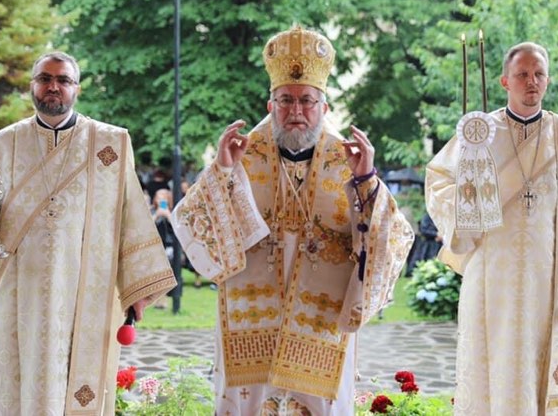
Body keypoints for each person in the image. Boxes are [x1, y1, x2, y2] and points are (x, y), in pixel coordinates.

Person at [171, 26, 414, 415]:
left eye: (306, 100)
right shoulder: (242, 156)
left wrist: (367, 181)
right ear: (271, 105)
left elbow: (391, 237)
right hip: (252, 322)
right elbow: (192, 220)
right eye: (286, 100)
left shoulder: (349, 161)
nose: (296, 111)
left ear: (324, 107)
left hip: (320, 323)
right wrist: (222, 172)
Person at [0, 51, 176, 414]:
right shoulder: (1, 144)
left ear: (76, 89)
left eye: (63, 80)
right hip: (21, 289)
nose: (53, 87)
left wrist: (138, 286)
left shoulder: (110, 143)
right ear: (32, 85)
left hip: (86, 289)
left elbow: (131, 213)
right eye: (45, 78)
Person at [425, 41, 558, 414]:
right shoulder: (479, 132)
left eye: (538, 74)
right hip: (490, 274)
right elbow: (438, 179)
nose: (531, 81)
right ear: (505, 81)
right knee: (490, 365)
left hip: (548, 277)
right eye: (522, 74)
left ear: (547, 80)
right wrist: (467, 207)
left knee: (538, 366)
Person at [152, 188, 184, 314]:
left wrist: (168, 216)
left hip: (170, 249)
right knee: (157, 276)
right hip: (156, 248)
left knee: (167, 275)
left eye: (164, 197)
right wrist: (156, 215)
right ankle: (159, 300)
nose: (161, 199)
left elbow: (179, 228)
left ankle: (164, 300)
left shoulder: (174, 212)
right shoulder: (151, 211)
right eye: (158, 197)